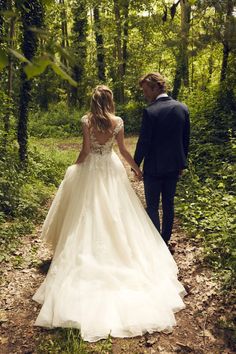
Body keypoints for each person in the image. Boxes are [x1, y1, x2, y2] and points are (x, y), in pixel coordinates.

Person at [33, 85, 186, 343]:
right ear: (110, 100)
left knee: (86, 212)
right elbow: (124, 151)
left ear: (93, 101)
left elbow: (84, 150)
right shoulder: (117, 122)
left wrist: (75, 167)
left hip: (92, 169)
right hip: (111, 170)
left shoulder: (87, 120)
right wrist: (136, 168)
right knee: (117, 213)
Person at [134, 73, 190, 247]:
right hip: (174, 165)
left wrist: (136, 164)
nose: (145, 94)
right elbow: (185, 139)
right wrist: (182, 163)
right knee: (168, 203)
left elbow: (144, 141)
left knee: (152, 205)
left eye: (145, 90)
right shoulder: (182, 108)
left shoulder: (150, 111)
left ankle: (157, 242)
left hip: (154, 167)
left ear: (156, 87)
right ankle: (165, 239)